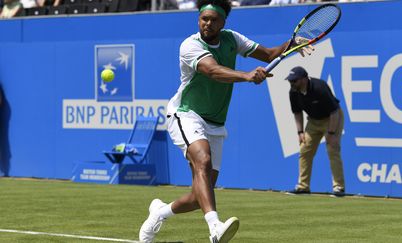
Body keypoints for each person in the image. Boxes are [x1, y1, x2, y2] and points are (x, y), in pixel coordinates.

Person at [138, 0, 313, 242]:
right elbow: (212, 70)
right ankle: (215, 228)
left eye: (213, 20)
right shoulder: (190, 45)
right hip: (186, 114)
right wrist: (247, 75)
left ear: (223, 22)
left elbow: (270, 54)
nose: (207, 23)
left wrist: (290, 45)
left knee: (199, 195)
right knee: (203, 160)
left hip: (216, 123)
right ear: (198, 19)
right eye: (203, 19)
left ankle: (160, 212)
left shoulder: (232, 39)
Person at [286, 66, 345, 197]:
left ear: (304, 79)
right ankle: (303, 187)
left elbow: (334, 112)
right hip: (313, 121)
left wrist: (330, 133)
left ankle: (339, 188)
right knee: (304, 150)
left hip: (332, 119)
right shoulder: (293, 92)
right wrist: (300, 132)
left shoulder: (320, 87)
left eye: (294, 80)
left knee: (332, 149)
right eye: (290, 81)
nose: (292, 83)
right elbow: (297, 112)